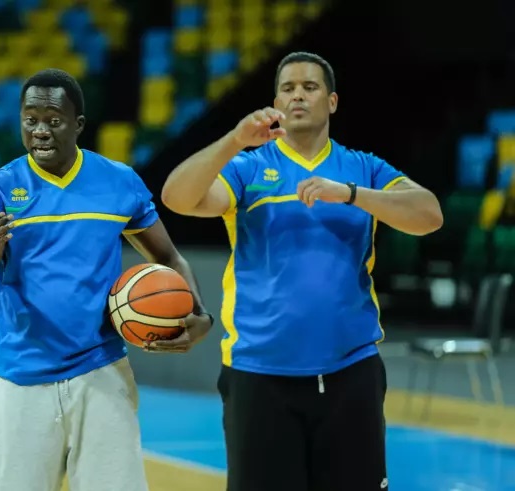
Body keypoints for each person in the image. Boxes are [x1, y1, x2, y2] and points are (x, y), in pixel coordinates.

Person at [161, 51, 443, 491]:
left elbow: (429, 214)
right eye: (287, 88)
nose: (297, 96)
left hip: (351, 372)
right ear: (275, 101)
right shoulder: (248, 168)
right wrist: (234, 140)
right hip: (259, 374)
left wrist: (350, 195)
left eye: (309, 87)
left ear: (331, 102)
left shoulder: (363, 168)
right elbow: (176, 197)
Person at [0, 68, 214, 491]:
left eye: (53, 120)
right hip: (22, 376)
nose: (40, 130)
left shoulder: (118, 182)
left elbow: (167, 255)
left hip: (101, 370)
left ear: (78, 125)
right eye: (30, 119)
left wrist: (198, 311)